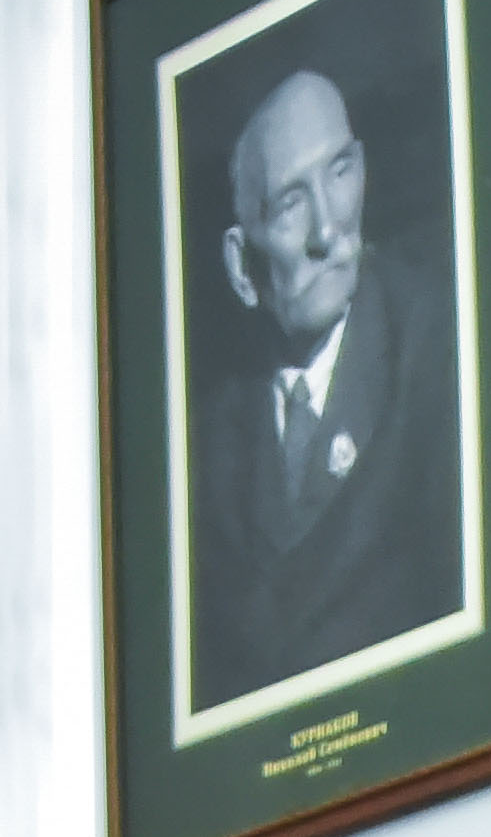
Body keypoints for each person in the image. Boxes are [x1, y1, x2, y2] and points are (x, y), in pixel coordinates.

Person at [192, 62, 461, 708]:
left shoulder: (438, 346)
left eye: (340, 172)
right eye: (290, 202)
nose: (328, 230)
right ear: (239, 263)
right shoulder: (204, 435)